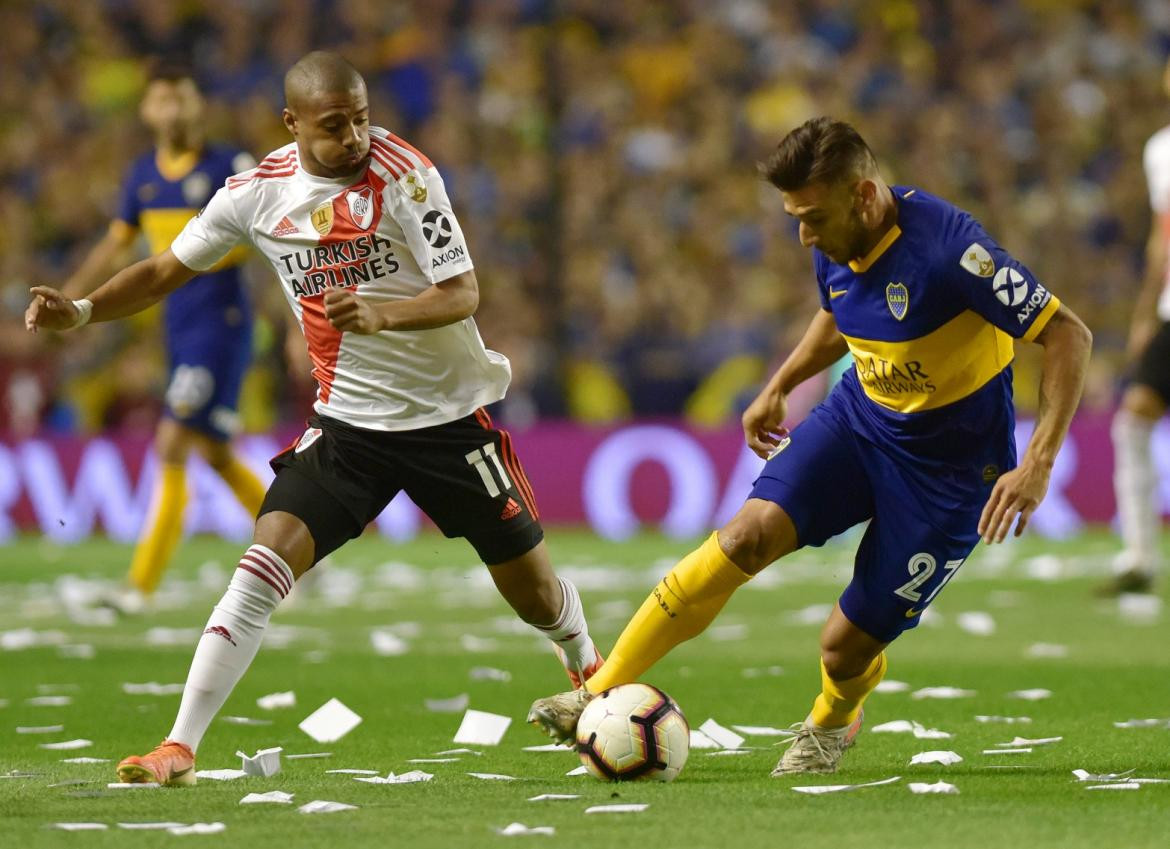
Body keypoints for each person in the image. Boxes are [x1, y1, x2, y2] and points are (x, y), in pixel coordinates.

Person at [26, 51, 603, 786]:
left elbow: (463, 293)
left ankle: (587, 663)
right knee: (263, 562)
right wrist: (82, 310)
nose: (355, 136)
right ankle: (178, 745)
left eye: (361, 118)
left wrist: (382, 314)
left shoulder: (406, 174)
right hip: (348, 426)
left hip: (448, 419)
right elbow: (165, 270)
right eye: (335, 126)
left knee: (537, 595)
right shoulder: (255, 194)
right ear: (291, 124)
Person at [527, 117, 1092, 776]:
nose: (803, 234)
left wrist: (1039, 460)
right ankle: (593, 692)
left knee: (843, 649)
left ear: (864, 195)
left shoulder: (953, 253)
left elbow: (1068, 334)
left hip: (953, 472)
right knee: (745, 536)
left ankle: (832, 719)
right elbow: (838, 309)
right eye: (795, 216)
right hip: (863, 422)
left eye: (813, 217)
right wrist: (782, 382)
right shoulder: (833, 237)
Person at [59, 64, 266, 612]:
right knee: (217, 453)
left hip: (219, 327)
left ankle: (140, 586)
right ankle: (302, 550)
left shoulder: (230, 165)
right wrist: (72, 301)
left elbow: (266, 233)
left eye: (182, 99)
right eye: (162, 101)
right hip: (176, 329)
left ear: (199, 106)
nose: (172, 111)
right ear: (147, 111)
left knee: (172, 443)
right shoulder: (141, 175)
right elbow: (115, 246)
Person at [1098, 59, 1170, 597]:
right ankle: (1140, 556)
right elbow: (1162, 240)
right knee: (1133, 419)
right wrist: (1146, 316)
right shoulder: (1161, 150)